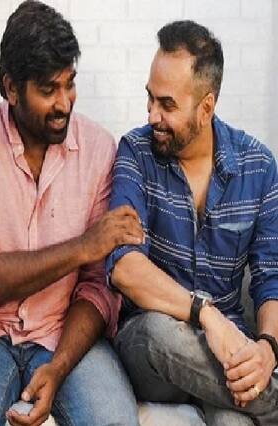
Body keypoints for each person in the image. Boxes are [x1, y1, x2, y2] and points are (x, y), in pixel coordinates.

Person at [0, 1, 144, 425]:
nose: (64, 103)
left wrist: (59, 367)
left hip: (63, 333)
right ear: (11, 88)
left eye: (70, 84)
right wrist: (84, 246)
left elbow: (96, 287)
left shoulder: (99, 149)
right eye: (48, 90)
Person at [107, 20, 278, 426]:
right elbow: (124, 266)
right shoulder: (135, 152)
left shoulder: (258, 166)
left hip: (225, 356)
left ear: (206, 107)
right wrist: (206, 315)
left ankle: (253, 391)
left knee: (233, 419)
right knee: (158, 333)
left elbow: (271, 277)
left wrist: (267, 349)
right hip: (152, 348)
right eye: (150, 99)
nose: (152, 115)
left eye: (167, 105)